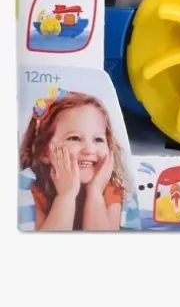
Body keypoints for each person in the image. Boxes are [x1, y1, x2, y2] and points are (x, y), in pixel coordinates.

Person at [19, 90, 127, 231]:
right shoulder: (30, 190)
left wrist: (94, 192)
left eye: (98, 139)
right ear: (44, 151)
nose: (89, 150)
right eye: (74, 138)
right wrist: (66, 196)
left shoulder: (110, 190)